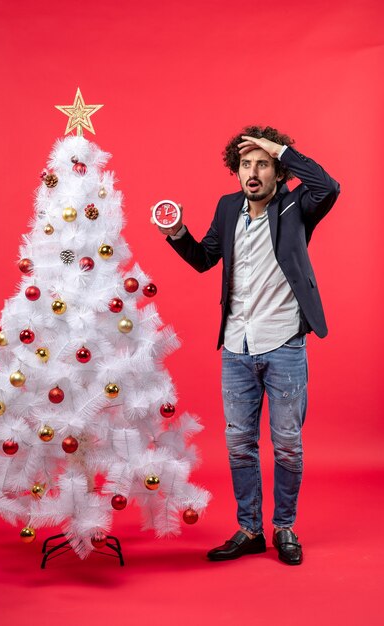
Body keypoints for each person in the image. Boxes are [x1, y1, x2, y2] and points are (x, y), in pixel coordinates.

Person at [152, 126, 340, 565]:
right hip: (236, 346)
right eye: (245, 165)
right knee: (239, 443)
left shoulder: (296, 204)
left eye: (262, 163)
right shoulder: (227, 207)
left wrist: (283, 150)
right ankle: (250, 529)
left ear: (277, 170)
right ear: (235, 171)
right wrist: (177, 232)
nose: (252, 173)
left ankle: (284, 528)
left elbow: (328, 187)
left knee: (288, 443)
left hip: (284, 343)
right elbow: (204, 260)